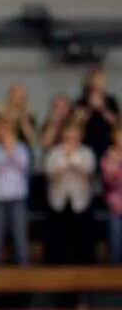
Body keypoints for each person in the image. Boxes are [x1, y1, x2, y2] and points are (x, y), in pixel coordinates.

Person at [44, 120, 96, 265]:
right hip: (59, 200)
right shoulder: (55, 152)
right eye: (69, 134)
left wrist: (74, 159)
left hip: (80, 200)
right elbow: (49, 173)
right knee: (58, 237)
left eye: (75, 134)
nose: (72, 137)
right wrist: (64, 161)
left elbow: (89, 170)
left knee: (81, 237)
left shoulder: (86, 152)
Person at [0, 114, 31, 266]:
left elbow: (24, 166)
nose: (4, 133)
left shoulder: (21, 148)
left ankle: (25, 270)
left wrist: (11, 150)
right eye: (1, 130)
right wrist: (6, 152)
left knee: (20, 235)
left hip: (17, 197)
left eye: (8, 130)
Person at [74, 67, 119, 165]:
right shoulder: (81, 101)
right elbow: (76, 122)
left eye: (103, 80)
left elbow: (116, 122)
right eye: (98, 80)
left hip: (107, 141)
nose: (101, 83)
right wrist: (90, 107)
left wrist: (102, 109)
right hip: (87, 141)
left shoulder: (111, 101)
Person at [101, 124, 122, 264]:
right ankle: (115, 268)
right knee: (116, 236)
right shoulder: (109, 155)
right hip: (116, 203)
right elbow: (109, 177)